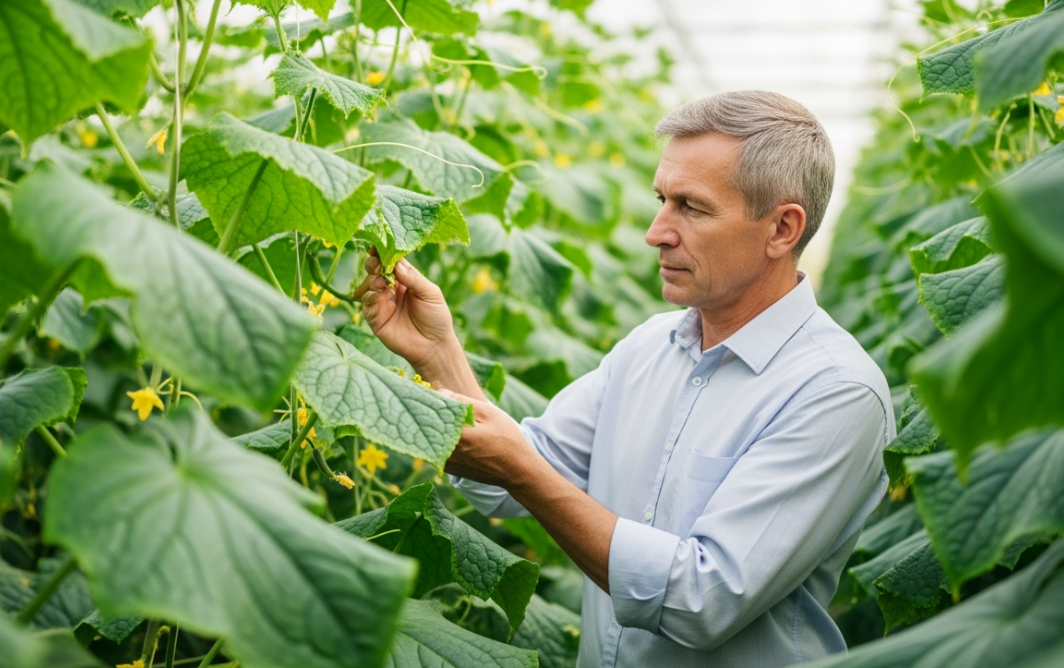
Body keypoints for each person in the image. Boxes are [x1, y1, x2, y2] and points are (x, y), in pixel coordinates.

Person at [356, 90, 894, 667]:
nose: (656, 231)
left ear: (783, 229)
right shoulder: (649, 348)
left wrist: (522, 468)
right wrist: (440, 357)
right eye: (662, 199)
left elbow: (701, 600)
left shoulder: (835, 392)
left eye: (691, 207)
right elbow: (508, 476)